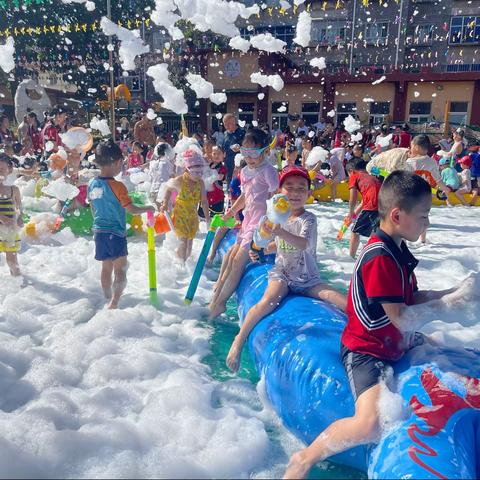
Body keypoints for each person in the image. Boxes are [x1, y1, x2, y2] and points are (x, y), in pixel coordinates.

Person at [284, 171, 473, 479]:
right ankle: (304, 459)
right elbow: (401, 316)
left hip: (396, 340)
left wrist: (452, 292)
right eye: (424, 216)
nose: (427, 223)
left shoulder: (396, 247)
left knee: (443, 348)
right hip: (368, 350)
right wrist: (448, 308)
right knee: (369, 424)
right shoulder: (379, 257)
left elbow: (412, 296)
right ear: (397, 215)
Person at [226, 166, 347, 372]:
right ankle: (238, 340)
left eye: (301, 188)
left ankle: (380, 330)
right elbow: (276, 245)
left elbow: (303, 244)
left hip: (307, 276)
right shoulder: (276, 218)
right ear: (279, 192)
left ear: (309, 194)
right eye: (289, 187)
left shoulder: (308, 219)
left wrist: (279, 232)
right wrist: (262, 250)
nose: (295, 193)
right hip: (282, 273)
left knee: (339, 300)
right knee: (267, 301)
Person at [209, 128, 279, 319]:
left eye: (254, 153)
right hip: (248, 220)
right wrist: (231, 212)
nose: (249, 157)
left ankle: (220, 303)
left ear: (265, 151)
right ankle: (218, 290)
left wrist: (272, 227)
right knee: (230, 256)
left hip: (260, 225)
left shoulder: (269, 171)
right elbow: (244, 196)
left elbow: (278, 198)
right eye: (245, 152)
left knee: (239, 260)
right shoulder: (246, 170)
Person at [87, 140, 154, 309]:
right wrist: (148, 207)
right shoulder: (118, 186)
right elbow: (131, 209)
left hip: (99, 231)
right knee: (121, 269)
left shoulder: (92, 183)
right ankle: (114, 302)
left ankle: (106, 296)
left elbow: (93, 207)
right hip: (116, 233)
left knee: (106, 267)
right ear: (116, 163)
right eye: (121, 164)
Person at [158, 149, 210, 262]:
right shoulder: (180, 180)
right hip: (180, 215)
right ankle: (180, 264)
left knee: (190, 243)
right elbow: (168, 189)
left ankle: (186, 266)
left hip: (192, 216)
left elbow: (204, 202)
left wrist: (207, 219)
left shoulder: (200, 183)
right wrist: (165, 203)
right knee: (183, 242)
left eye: (201, 172)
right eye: (196, 172)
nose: (199, 175)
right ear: (187, 169)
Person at [345, 159, 381, 258]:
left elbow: (353, 198)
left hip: (372, 207)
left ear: (351, 171)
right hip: (385, 205)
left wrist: (351, 212)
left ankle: (351, 257)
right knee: (377, 232)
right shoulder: (372, 174)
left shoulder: (355, 176)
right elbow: (364, 201)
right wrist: (353, 214)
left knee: (355, 231)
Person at [0, 154, 23, 276]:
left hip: (9, 229)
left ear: (9, 171)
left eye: (1, 170)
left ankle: (18, 280)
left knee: (12, 260)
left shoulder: (14, 189)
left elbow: (19, 206)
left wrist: (20, 217)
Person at [200, 145, 227, 217]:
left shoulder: (222, 167)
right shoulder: (209, 165)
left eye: (219, 153)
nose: (216, 155)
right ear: (211, 154)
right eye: (214, 153)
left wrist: (213, 177)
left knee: (216, 216)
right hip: (207, 196)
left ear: (223, 155)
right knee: (204, 215)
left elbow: (221, 177)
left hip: (217, 196)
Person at [222, 113, 245, 184]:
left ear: (234, 122)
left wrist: (240, 148)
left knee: (238, 184)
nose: (226, 126)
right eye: (225, 124)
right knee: (229, 185)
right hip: (227, 163)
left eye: (228, 124)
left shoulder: (242, 133)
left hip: (238, 164)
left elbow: (248, 148)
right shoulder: (225, 133)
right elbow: (224, 146)